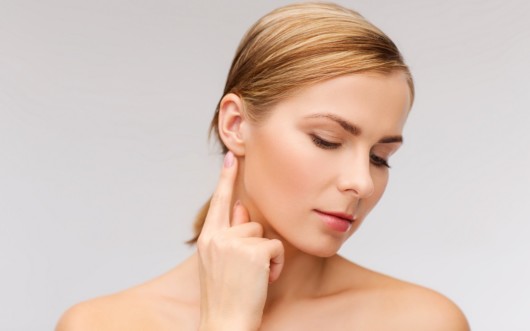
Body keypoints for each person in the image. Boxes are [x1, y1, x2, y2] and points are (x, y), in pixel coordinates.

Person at [56, 2, 470, 330]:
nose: (361, 182)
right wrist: (225, 324)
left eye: (380, 158)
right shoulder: (100, 325)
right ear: (235, 125)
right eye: (327, 140)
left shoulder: (422, 322)